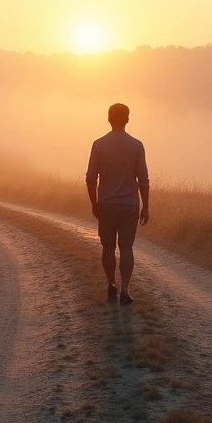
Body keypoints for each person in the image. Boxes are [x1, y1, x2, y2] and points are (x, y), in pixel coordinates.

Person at [85, 103, 150, 304]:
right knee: (126, 247)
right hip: (129, 203)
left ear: (108, 119)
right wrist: (145, 206)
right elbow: (143, 179)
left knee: (107, 246)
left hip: (106, 203)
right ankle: (125, 290)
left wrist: (94, 203)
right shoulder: (136, 145)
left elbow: (90, 178)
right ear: (127, 119)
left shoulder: (99, 144)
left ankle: (111, 284)